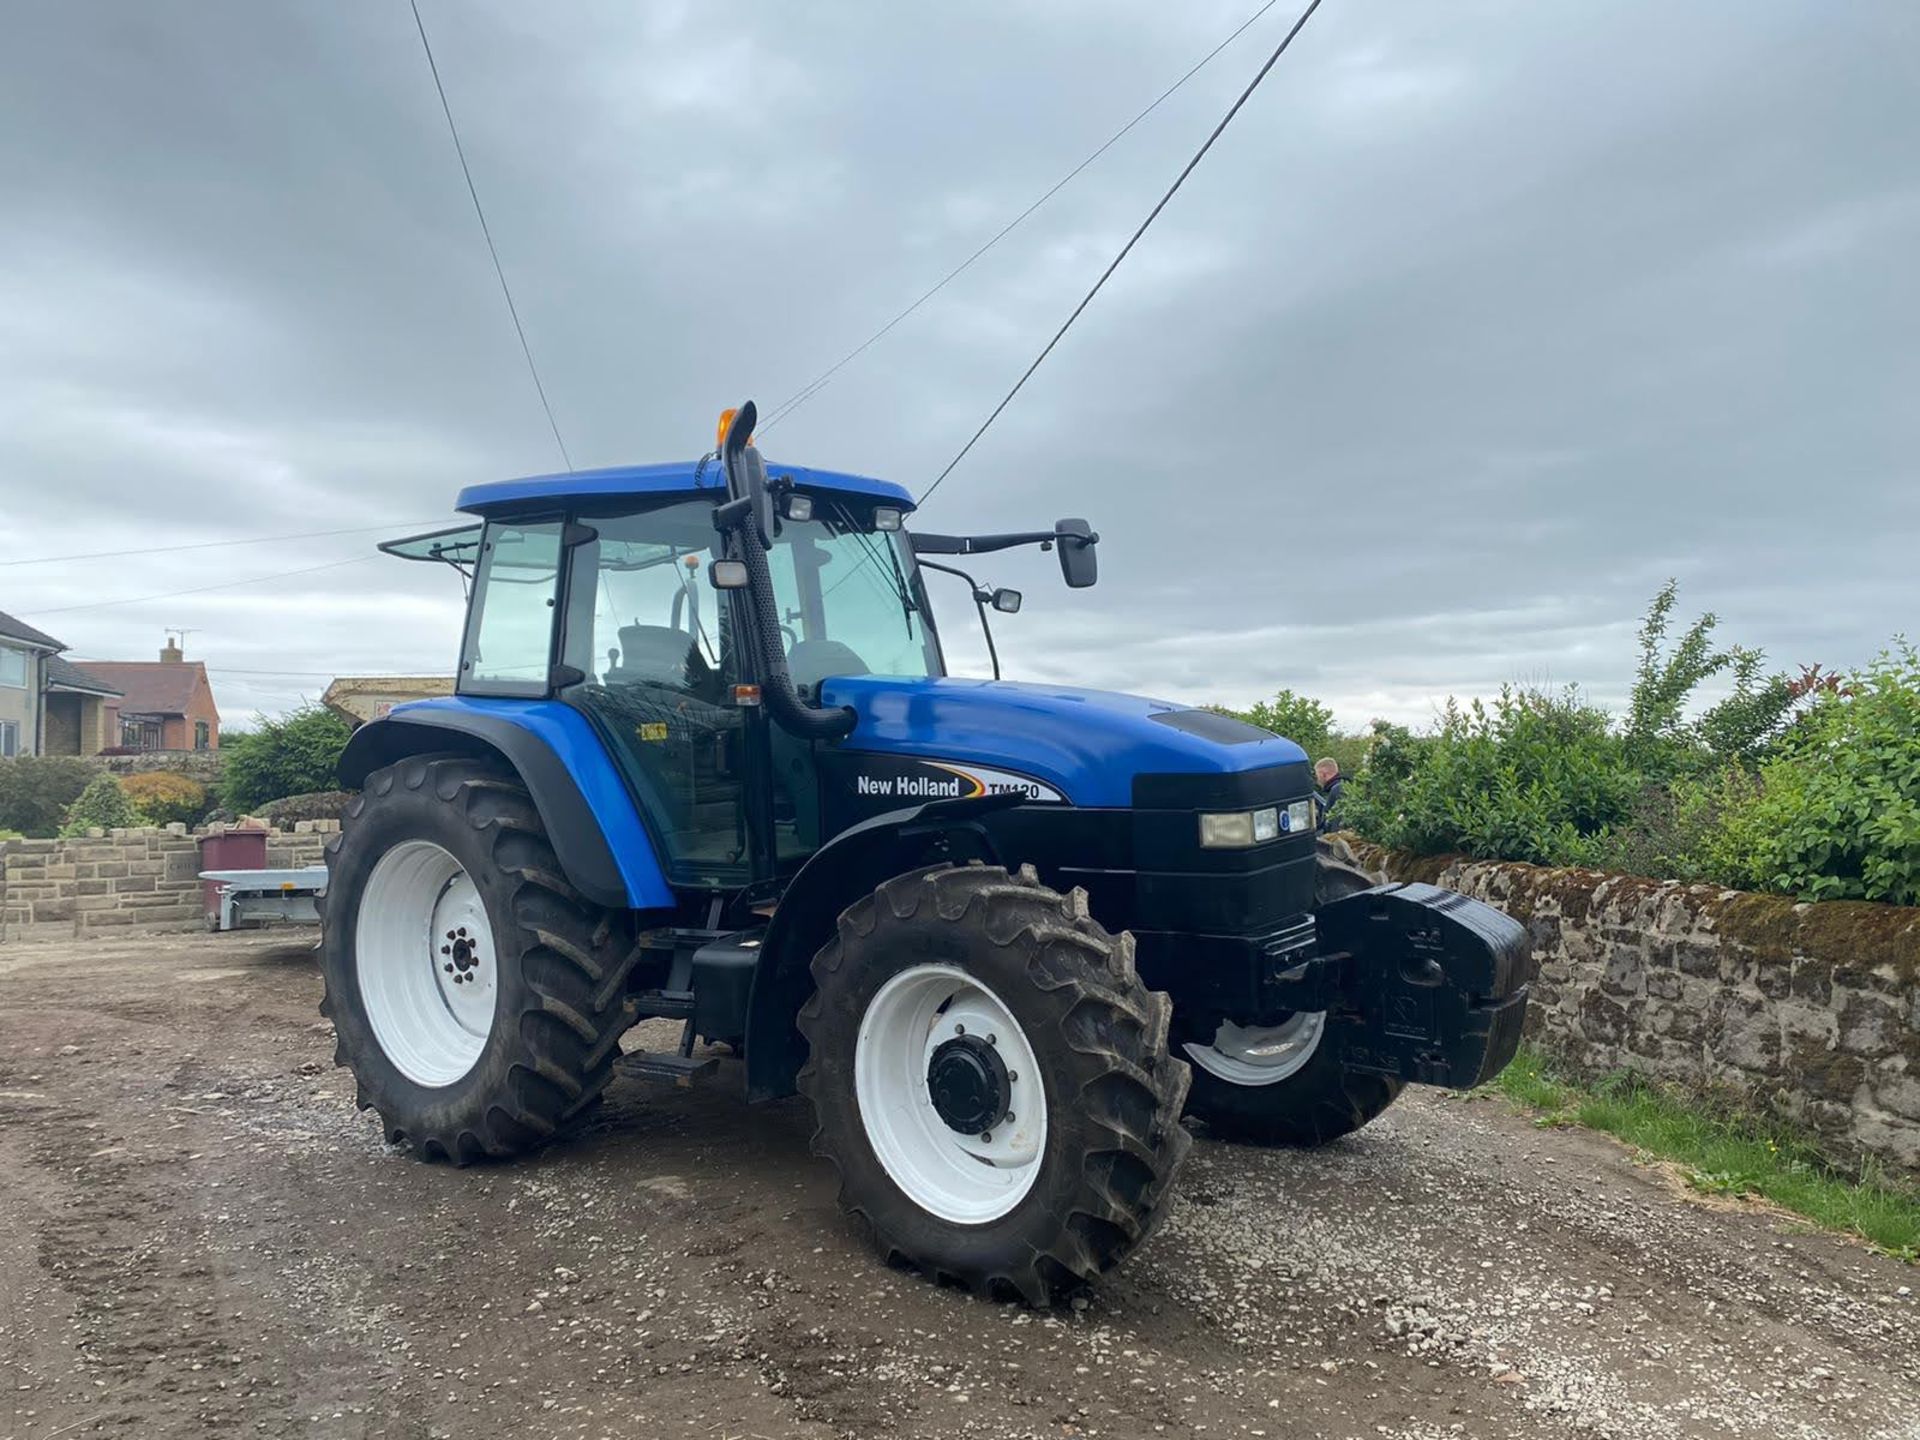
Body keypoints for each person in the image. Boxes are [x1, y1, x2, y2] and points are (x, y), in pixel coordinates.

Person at [1315, 757, 1344, 831]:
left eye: (1317, 775)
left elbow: (1336, 821)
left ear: (1323, 774)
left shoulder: (1336, 791)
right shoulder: (1343, 787)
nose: (1317, 780)